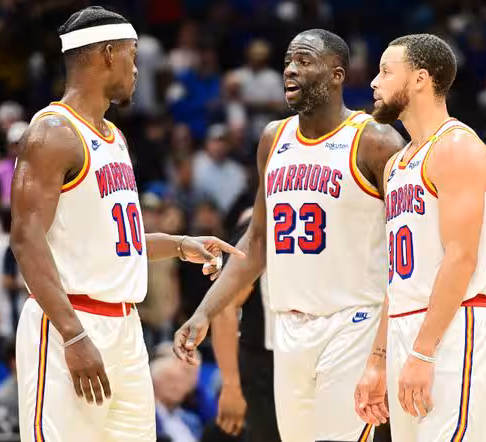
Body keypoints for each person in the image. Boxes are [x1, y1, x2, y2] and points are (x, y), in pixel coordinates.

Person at [10, 7, 242, 441]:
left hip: (126, 327)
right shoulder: (52, 134)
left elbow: (116, 240)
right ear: (107, 54)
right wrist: (73, 335)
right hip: (70, 322)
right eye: (132, 56)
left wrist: (179, 244)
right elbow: (25, 238)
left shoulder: (114, 137)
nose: (137, 69)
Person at [174, 28, 405, 442]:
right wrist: (204, 312)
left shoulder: (376, 141)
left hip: (354, 322)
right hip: (287, 327)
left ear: (337, 74)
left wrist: (387, 346)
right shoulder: (273, 138)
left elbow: (406, 246)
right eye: (287, 62)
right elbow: (256, 242)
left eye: (303, 61)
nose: (290, 70)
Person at [355, 33, 486, 441]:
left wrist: (423, 350)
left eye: (386, 72)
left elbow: (461, 258)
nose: (374, 82)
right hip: (405, 325)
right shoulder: (397, 164)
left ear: (420, 79)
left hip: (452, 326)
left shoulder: (456, 148)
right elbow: (396, 278)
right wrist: (378, 360)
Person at [211, 207, 281, 441]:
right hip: (264, 369)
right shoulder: (259, 226)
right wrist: (230, 385)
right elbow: (224, 305)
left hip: (320, 355)